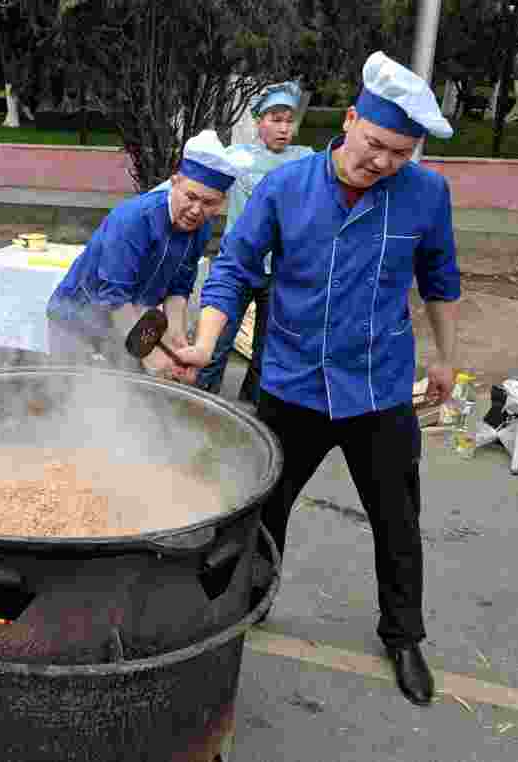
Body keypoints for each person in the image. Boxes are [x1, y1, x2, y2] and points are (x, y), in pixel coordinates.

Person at [177, 51, 462, 707]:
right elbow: (234, 270)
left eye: (400, 152)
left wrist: (446, 358)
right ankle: (255, 593)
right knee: (262, 511)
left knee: (397, 520)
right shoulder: (287, 187)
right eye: (376, 144)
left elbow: (440, 281)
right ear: (352, 119)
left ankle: (404, 634)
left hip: (379, 388)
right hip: (293, 381)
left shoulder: (426, 194)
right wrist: (205, 343)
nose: (384, 162)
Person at [46, 130, 238, 379]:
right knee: (70, 392)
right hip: (76, 317)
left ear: (221, 202)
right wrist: (149, 355)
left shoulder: (201, 229)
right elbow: (114, 297)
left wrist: (176, 341)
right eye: (191, 197)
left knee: (127, 396)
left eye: (209, 203)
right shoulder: (134, 220)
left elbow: (178, 288)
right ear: (176, 181)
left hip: (131, 319)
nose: (196, 210)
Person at [196, 81, 314, 403]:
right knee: (217, 341)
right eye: (275, 119)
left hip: (282, 271)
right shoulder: (236, 158)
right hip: (239, 267)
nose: (283, 128)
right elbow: (194, 180)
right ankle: (202, 404)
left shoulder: (305, 162)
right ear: (259, 121)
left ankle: (253, 412)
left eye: (289, 120)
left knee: (268, 349)